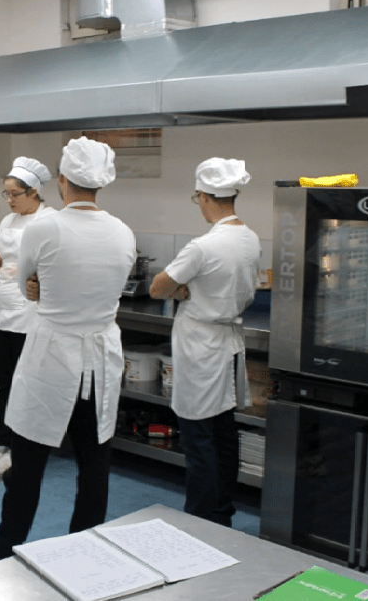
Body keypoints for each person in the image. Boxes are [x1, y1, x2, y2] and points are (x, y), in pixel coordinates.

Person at [0, 137, 137, 569]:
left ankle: (6, 545)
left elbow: (27, 288)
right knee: (94, 463)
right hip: (100, 360)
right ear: (101, 183)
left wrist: (41, 288)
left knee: (27, 460)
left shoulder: (45, 228)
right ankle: (86, 548)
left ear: (61, 180)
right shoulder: (122, 231)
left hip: (52, 356)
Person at [149, 158, 260, 528]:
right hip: (228, 344)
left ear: (204, 197)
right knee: (224, 433)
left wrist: (181, 290)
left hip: (201, 347)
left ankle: (199, 520)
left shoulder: (203, 246)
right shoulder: (249, 238)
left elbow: (157, 287)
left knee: (198, 439)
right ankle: (221, 513)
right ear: (234, 194)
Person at [0, 157, 56, 476]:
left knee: (26, 383)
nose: (9, 200)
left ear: (33, 192)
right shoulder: (8, 221)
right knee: (6, 381)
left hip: (31, 313)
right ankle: (2, 444)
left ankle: (21, 448)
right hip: (3, 308)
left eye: (14, 194)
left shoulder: (50, 221)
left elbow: (52, 268)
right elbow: (1, 261)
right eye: (5, 193)